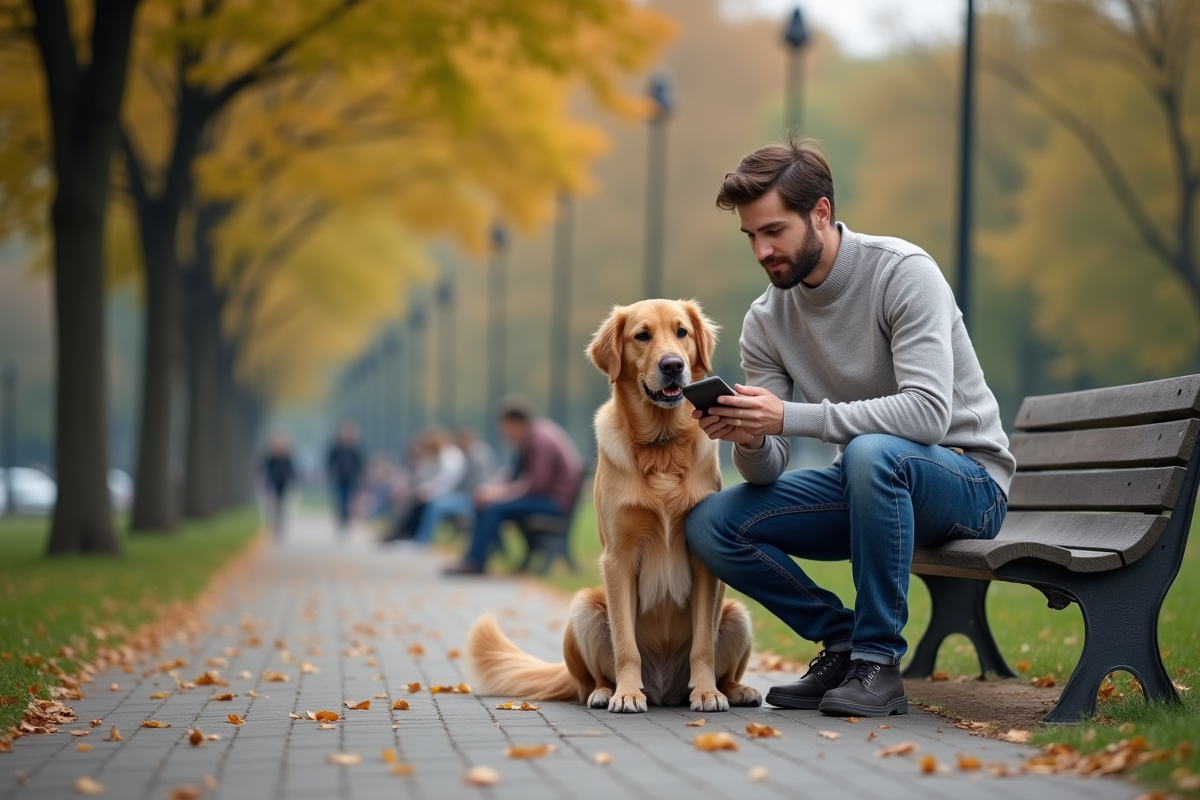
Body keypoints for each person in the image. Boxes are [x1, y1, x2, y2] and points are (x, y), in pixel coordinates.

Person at [684, 138, 1015, 718]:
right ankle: (842, 643)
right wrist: (752, 437)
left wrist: (788, 416)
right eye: (751, 237)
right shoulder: (766, 320)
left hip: (965, 483)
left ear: (820, 213)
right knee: (712, 522)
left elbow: (926, 414)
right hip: (871, 483)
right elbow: (770, 467)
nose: (762, 250)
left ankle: (878, 663)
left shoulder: (903, 273)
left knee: (869, 453)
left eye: (774, 231)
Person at [444, 400, 582, 575]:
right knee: (485, 501)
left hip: (553, 502)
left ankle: (476, 561)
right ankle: (475, 557)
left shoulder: (540, 440)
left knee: (494, 508)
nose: (502, 432)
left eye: (504, 426)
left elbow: (537, 484)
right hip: (545, 498)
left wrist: (498, 494)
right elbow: (513, 475)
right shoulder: (531, 436)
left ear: (514, 423)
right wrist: (491, 489)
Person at [386, 427, 467, 543]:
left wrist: (429, 490)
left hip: (455, 494)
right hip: (438, 491)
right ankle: (404, 533)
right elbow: (425, 475)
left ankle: (422, 539)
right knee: (414, 500)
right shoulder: (434, 455)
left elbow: (449, 481)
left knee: (431, 504)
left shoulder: (452, 455)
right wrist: (422, 489)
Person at [326, 421, 365, 535]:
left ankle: (346, 521)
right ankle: (341, 521)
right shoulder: (336, 447)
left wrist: (359, 475)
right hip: (338, 478)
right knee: (339, 500)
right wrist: (330, 472)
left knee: (348, 500)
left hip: (351, 478)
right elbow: (330, 461)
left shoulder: (355, 448)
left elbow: (359, 463)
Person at [261, 431, 296, 538]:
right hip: (273, 482)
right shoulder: (271, 458)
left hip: (283, 483)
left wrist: (293, 480)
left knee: (281, 504)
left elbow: (291, 470)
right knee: (273, 504)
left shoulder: (286, 458)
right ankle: (274, 522)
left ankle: (279, 523)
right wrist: (265, 481)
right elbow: (266, 469)